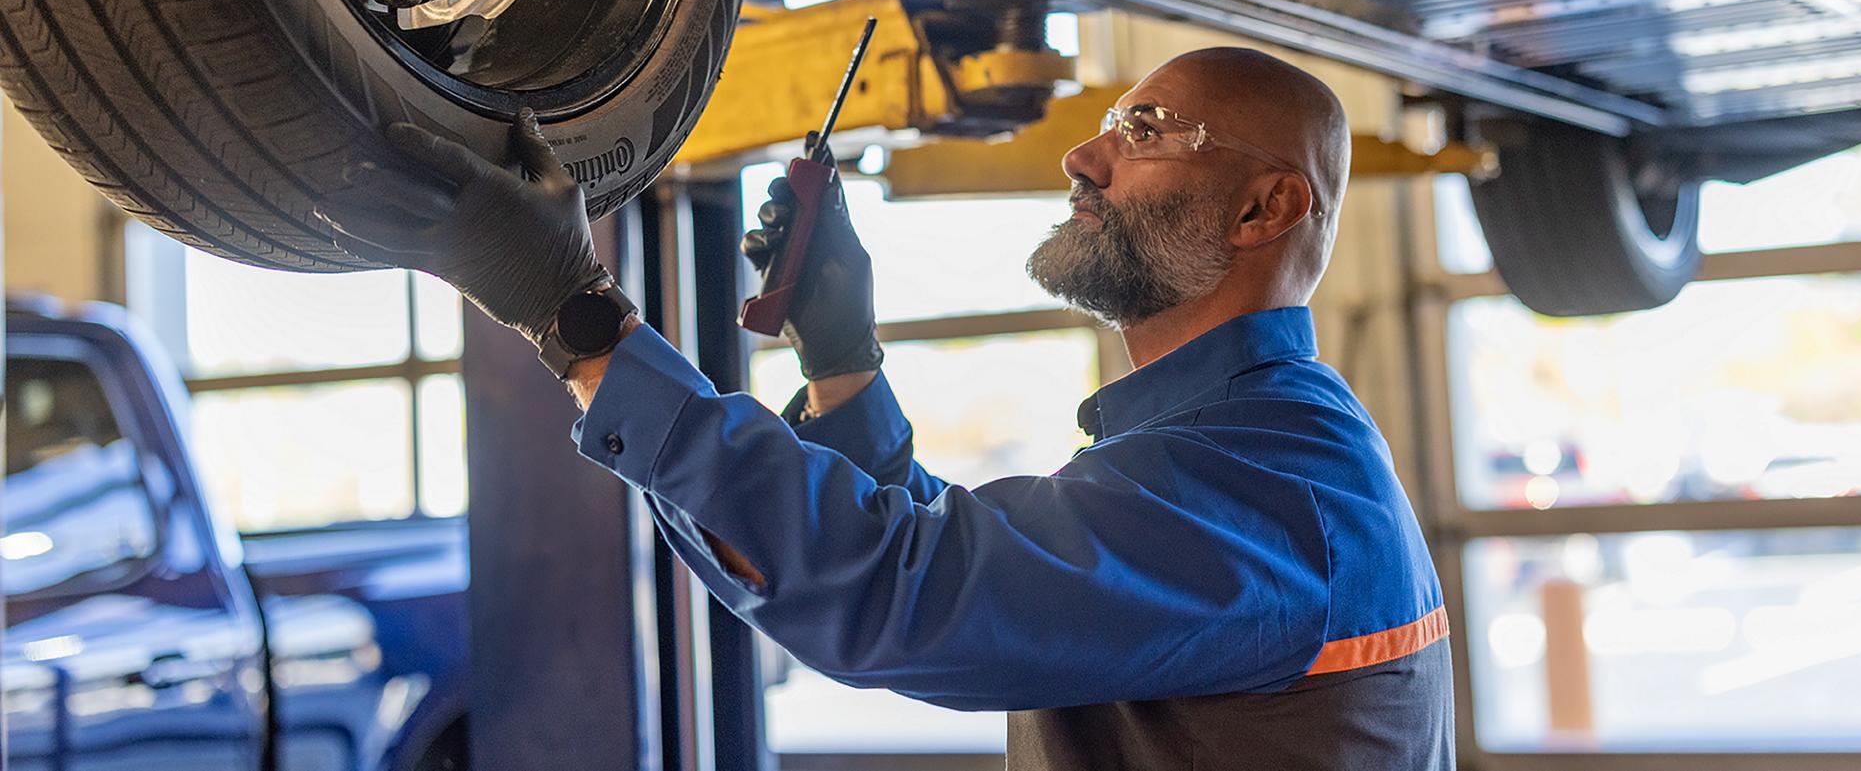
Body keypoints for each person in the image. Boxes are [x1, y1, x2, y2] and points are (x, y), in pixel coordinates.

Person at [319, 46, 1454, 770]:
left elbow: (909, 595)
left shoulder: (1274, 492)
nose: (1083, 155)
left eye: (1147, 131)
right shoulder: (1247, 451)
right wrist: (842, 357)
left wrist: (577, 319)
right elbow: (984, 575)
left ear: (1266, 208)